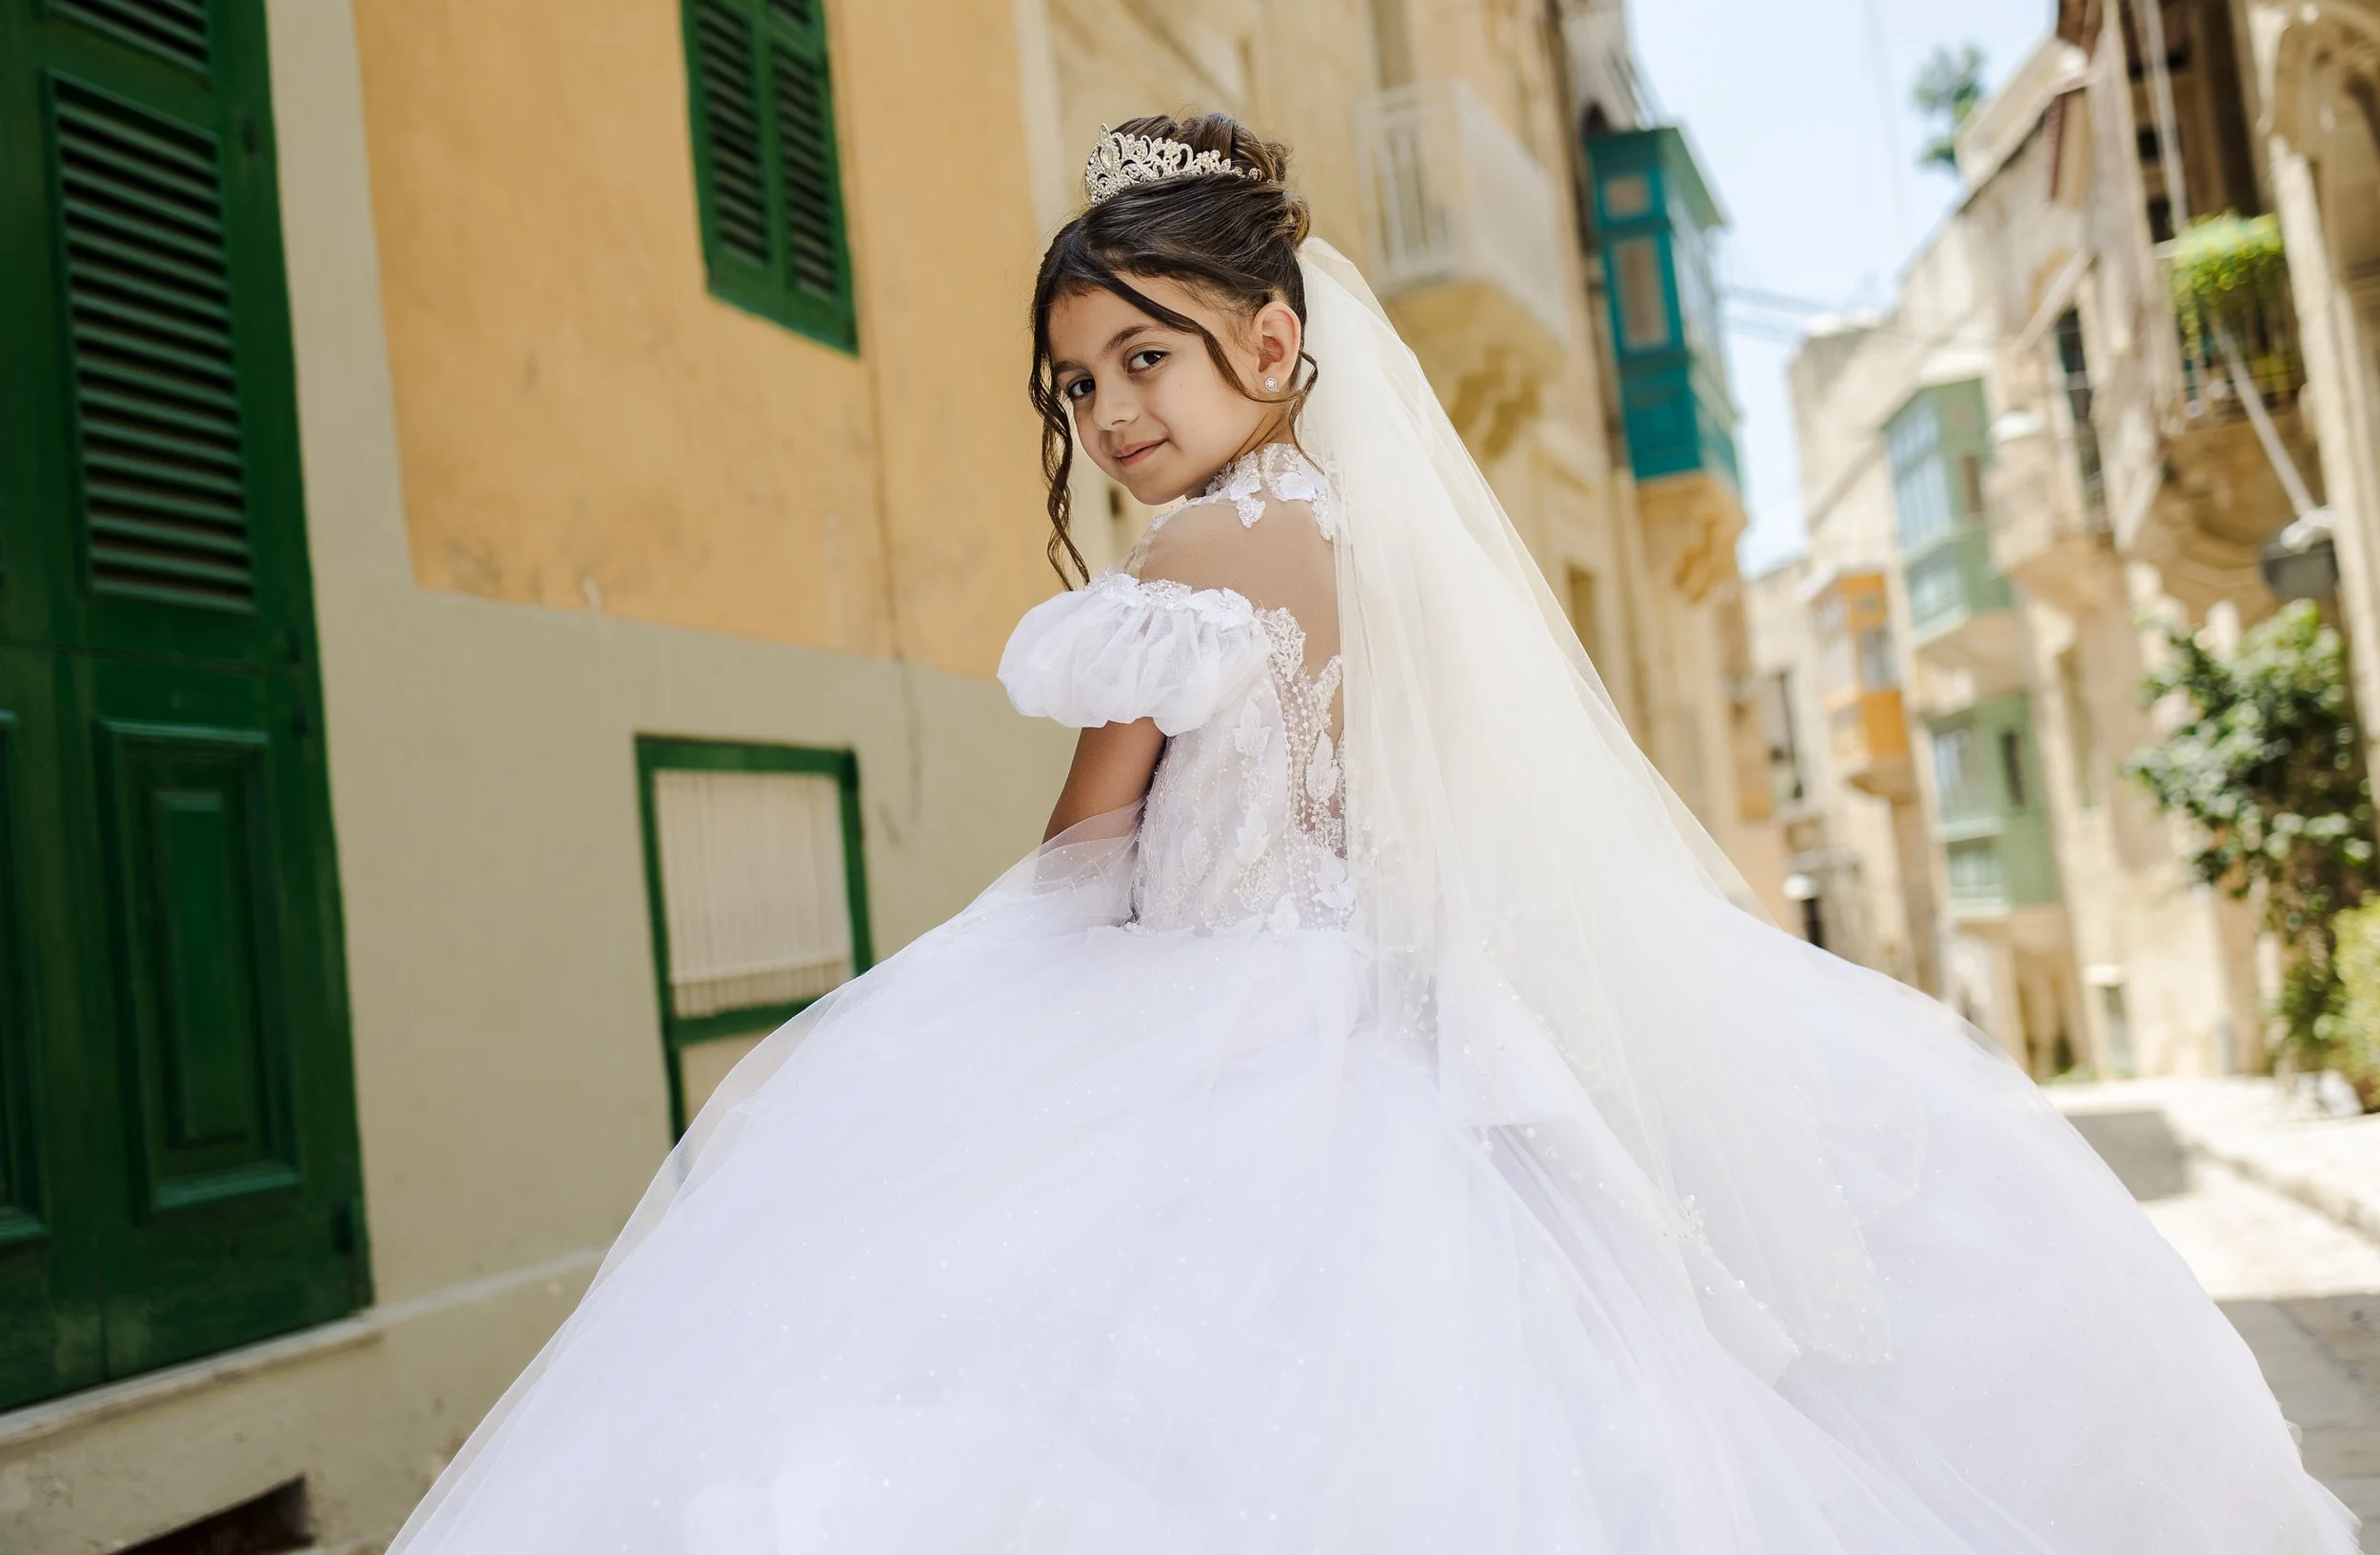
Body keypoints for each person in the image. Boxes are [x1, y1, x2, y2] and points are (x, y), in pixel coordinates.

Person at [387, 116, 2358, 1554]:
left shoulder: (1207, 549)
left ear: (1267, 339)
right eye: (1077, 384)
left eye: (1144, 358)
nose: (1109, 414)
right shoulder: (1353, 529)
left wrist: (968, 992)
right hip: (1374, 978)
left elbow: (1096, 839)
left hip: (1219, 995)